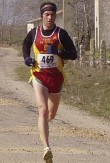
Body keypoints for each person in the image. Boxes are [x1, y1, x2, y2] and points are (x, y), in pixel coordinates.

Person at [22, 2, 77, 162]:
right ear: (42, 16)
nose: (50, 17)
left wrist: (59, 52)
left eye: (52, 14)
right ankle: (47, 148)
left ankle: (44, 127)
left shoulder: (61, 34)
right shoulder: (35, 32)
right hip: (39, 75)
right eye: (47, 14)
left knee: (51, 115)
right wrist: (26, 58)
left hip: (56, 78)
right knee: (43, 110)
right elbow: (25, 44)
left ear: (55, 16)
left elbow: (73, 54)